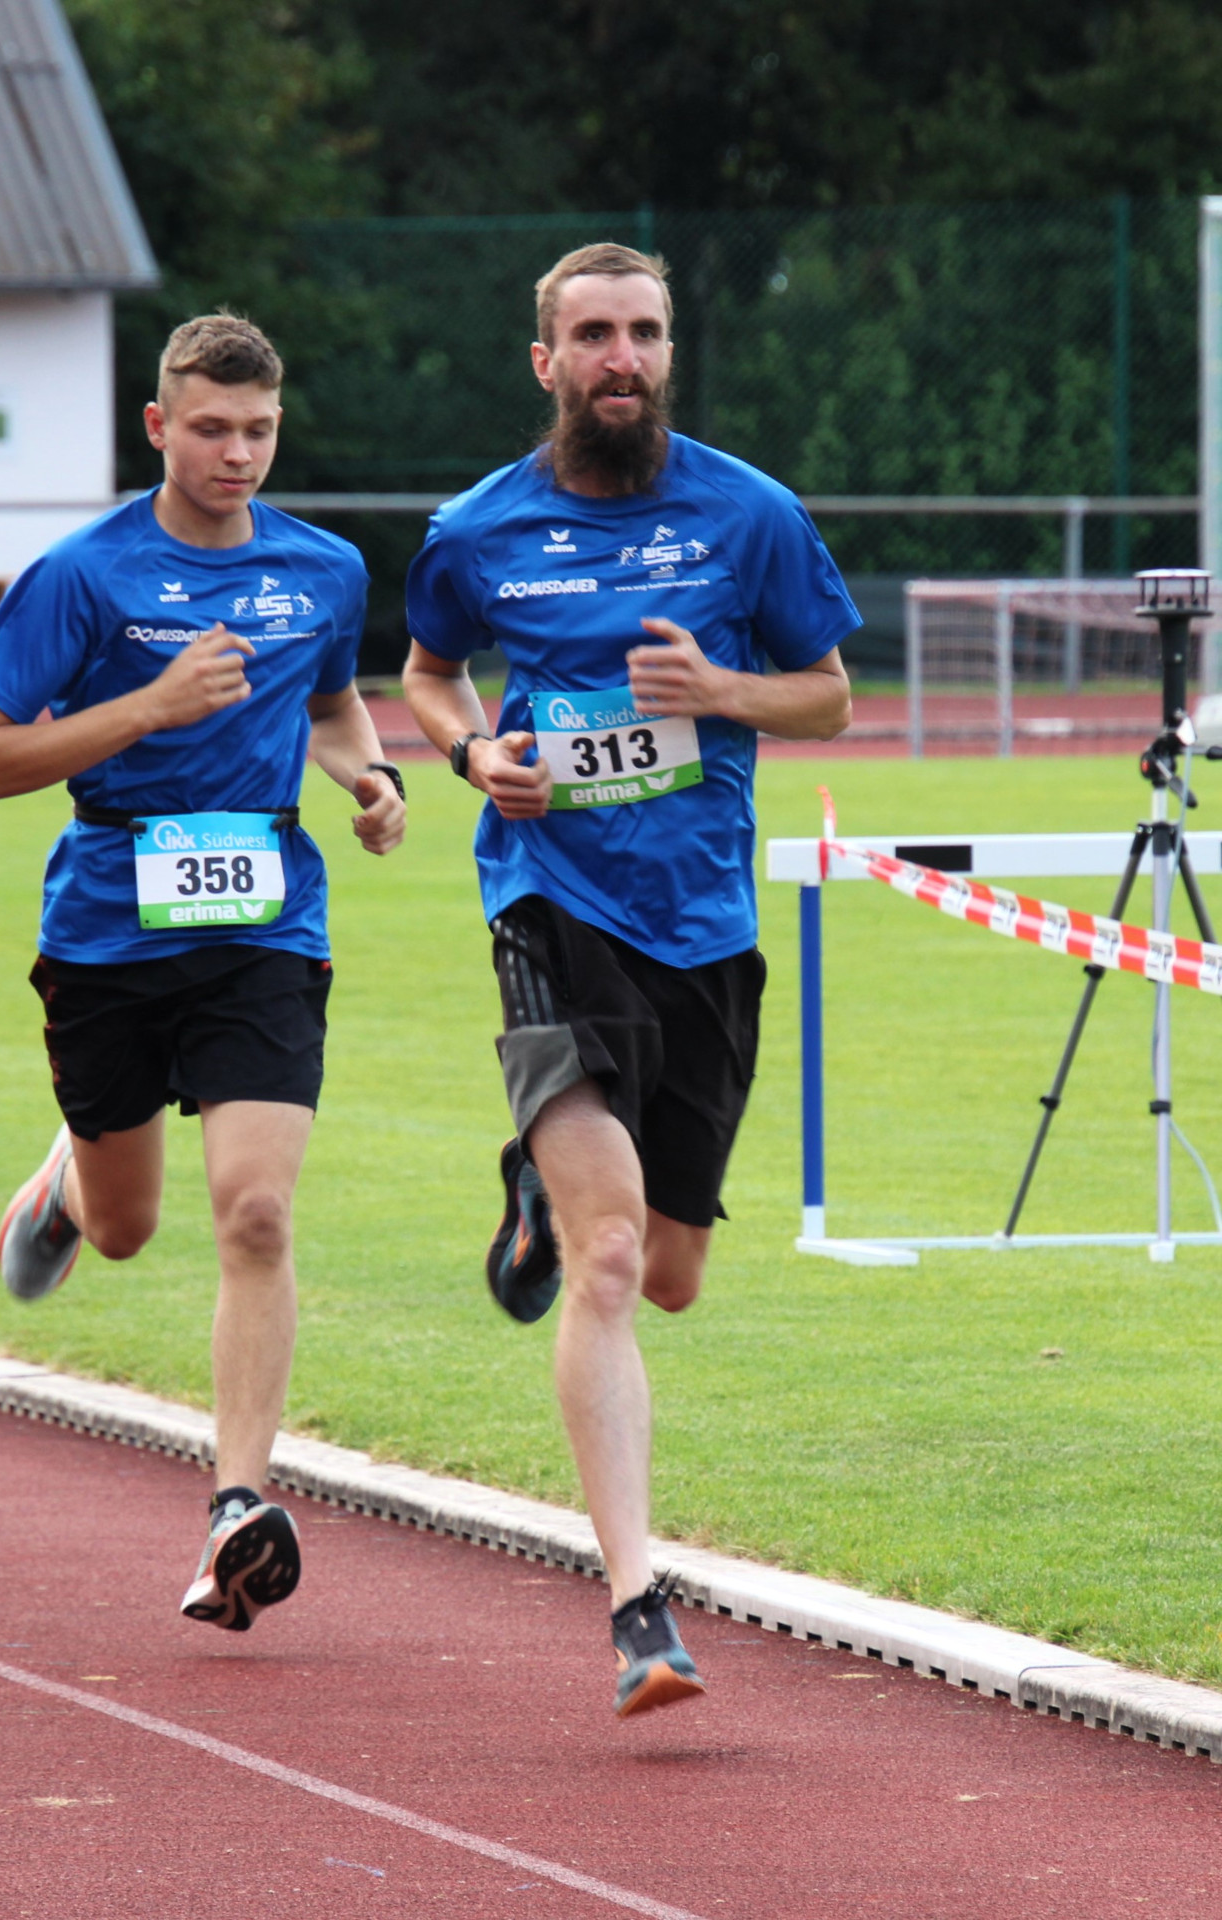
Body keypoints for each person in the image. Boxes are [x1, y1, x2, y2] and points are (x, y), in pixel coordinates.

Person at [401, 243, 856, 1716]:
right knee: (607, 1262)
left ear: (670, 352)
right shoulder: (478, 529)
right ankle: (638, 1609)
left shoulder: (750, 513)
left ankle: (538, 1185)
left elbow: (830, 696)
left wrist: (720, 692)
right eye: (594, 334)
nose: (622, 357)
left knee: (667, 1273)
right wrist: (477, 753)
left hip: (703, 926)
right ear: (546, 360)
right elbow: (427, 674)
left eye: (645, 333)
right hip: (552, 906)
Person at [0, 313, 406, 1632]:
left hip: (266, 927)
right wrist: (149, 706)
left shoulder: (322, 569)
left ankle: (235, 1504)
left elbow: (329, 701)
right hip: (108, 930)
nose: (236, 453)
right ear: (159, 427)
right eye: (210, 429)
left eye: (257, 430)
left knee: (256, 1213)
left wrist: (371, 775)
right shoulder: (82, 576)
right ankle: (67, 1182)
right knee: (126, 1227)